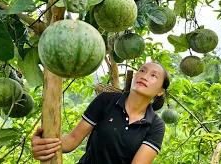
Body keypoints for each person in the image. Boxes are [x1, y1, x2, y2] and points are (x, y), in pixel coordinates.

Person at [31, 62, 170, 163]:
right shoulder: (106, 101)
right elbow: (72, 139)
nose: (144, 76)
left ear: (160, 91)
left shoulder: (155, 126)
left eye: (153, 75)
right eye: (142, 70)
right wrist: (47, 143)